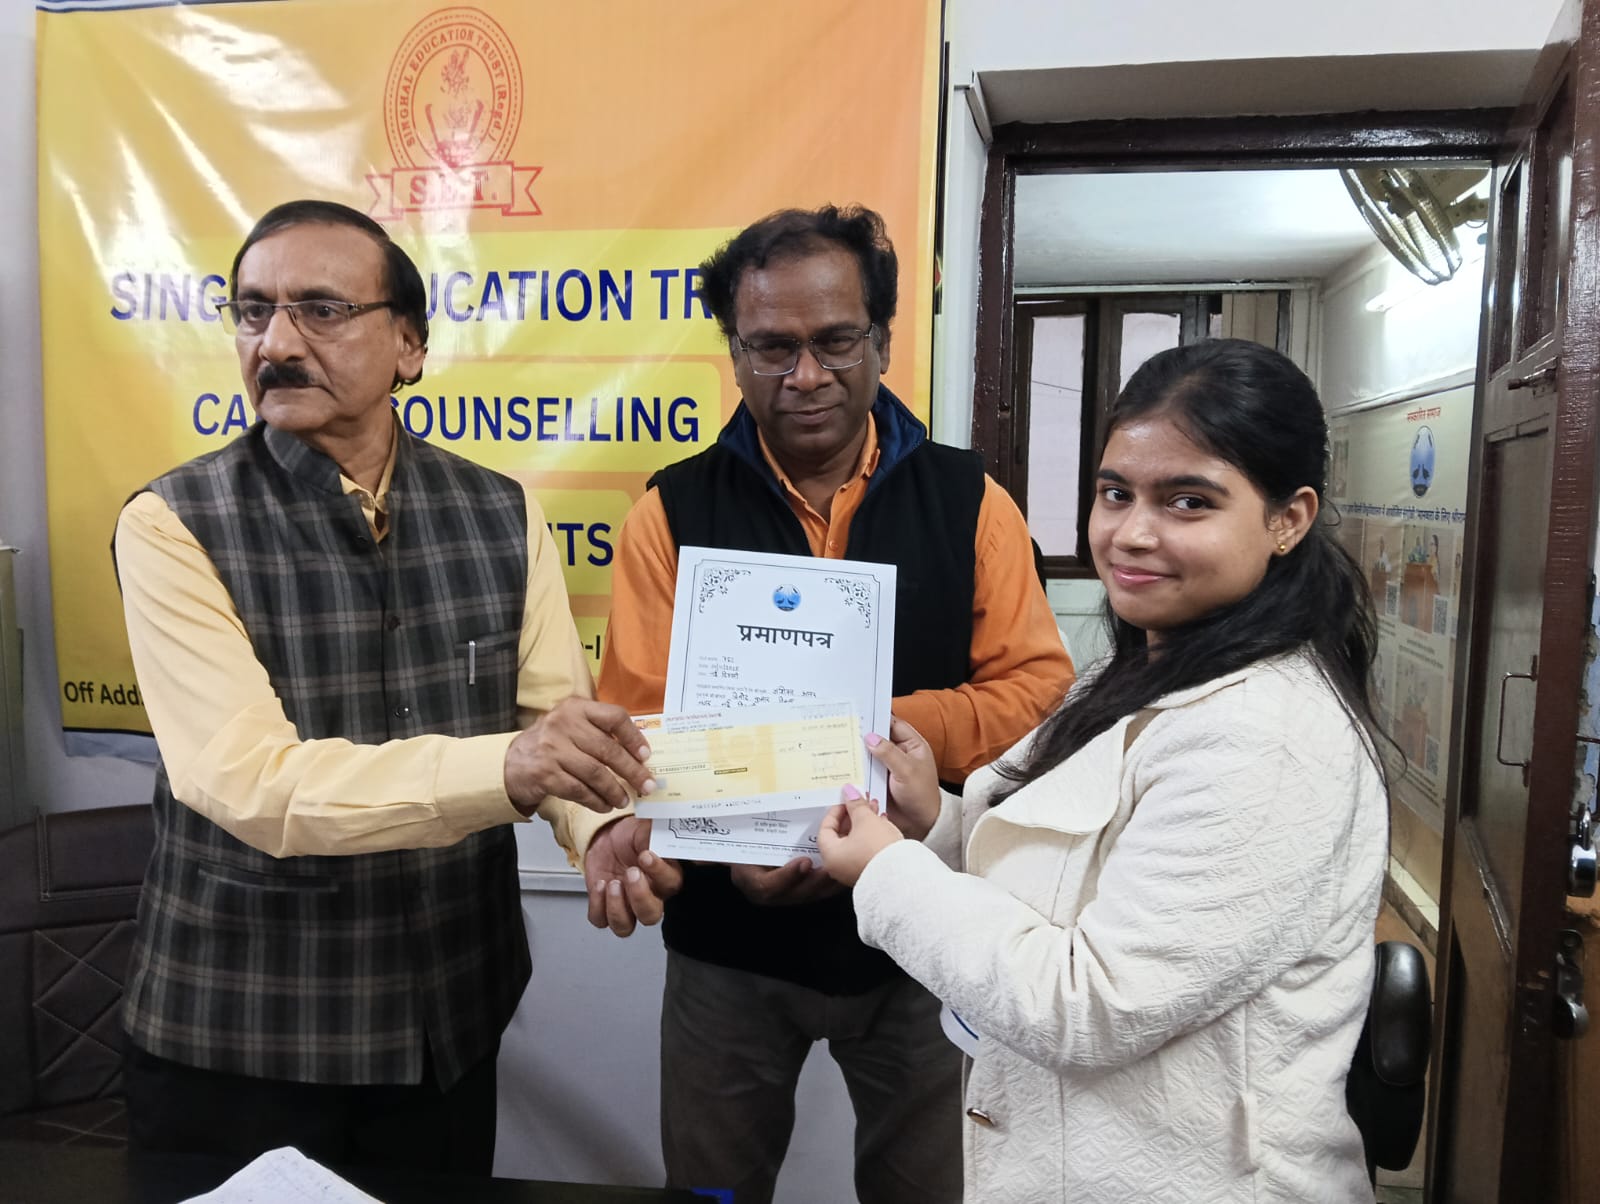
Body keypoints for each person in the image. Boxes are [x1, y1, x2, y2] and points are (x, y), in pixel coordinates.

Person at [112, 200, 677, 1175]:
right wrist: (512, 767)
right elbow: (252, 782)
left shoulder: (501, 511)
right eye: (254, 312)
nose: (276, 342)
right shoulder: (172, 524)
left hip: (447, 1024)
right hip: (243, 1037)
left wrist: (598, 830)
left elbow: (550, 718)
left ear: (409, 345)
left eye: (320, 310)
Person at [817, 338, 1389, 1203]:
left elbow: (1092, 1005)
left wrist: (886, 874)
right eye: (1116, 493)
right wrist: (932, 822)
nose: (1132, 533)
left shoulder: (1266, 736)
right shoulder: (1140, 672)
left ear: (1289, 518)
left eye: (1189, 501)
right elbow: (1074, 870)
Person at [591, 205, 1073, 1203]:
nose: (805, 375)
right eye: (771, 347)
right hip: (728, 941)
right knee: (712, 1191)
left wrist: (875, 735)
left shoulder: (970, 500)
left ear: (882, 342)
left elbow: (1038, 694)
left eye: (834, 341)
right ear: (735, 354)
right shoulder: (669, 512)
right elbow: (641, 727)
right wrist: (719, 843)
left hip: (922, 939)